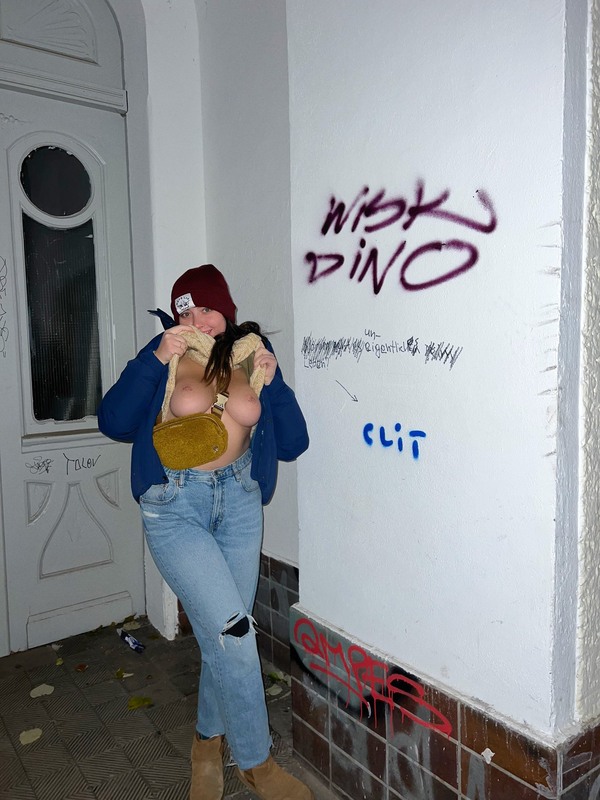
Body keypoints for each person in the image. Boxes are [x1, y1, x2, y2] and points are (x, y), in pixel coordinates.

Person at [98, 264, 312, 800]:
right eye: (186, 310)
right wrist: (155, 358)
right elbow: (114, 421)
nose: (197, 319)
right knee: (236, 636)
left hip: (239, 503)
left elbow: (293, 443)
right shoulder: (167, 353)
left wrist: (275, 381)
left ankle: (205, 745)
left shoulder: (250, 356)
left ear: (227, 311)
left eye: (208, 308)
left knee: (226, 633)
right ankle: (257, 763)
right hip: (175, 506)